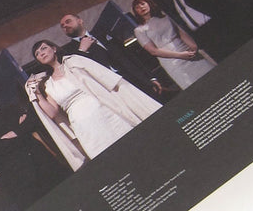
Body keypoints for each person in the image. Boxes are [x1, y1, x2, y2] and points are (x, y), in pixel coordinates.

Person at [27, 40, 159, 160]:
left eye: (43, 48)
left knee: (133, 145)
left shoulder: (73, 62)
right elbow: (52, 112)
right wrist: (37, 93)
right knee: (108, 157)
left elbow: (104, 78)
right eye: (37, 54)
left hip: (104, 111)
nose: (41, 53)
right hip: (83, 125)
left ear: (54, 49)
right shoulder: (48, 85)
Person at [57, 12, 166, 103]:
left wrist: (150, 77)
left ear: (80, 21)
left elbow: (129, 55)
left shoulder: (102, 34)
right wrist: (82, 51)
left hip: (136, 78)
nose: (65, 26)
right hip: (114, 89)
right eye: (62, 26)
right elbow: (79, 73)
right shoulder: (69, 52)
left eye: (68, 21)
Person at [131, 0, 215, 89]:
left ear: (149, 4)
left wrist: (194, 48)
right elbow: (153, 51)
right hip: (172, 61)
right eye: (137, 7)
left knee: (213, 76)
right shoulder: (139, 30)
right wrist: (180, 55)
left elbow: (181, 33)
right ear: (136, 12)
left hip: (187, 51)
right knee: (195, 86)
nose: (141, 7)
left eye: (142, 4)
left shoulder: (166, 17)